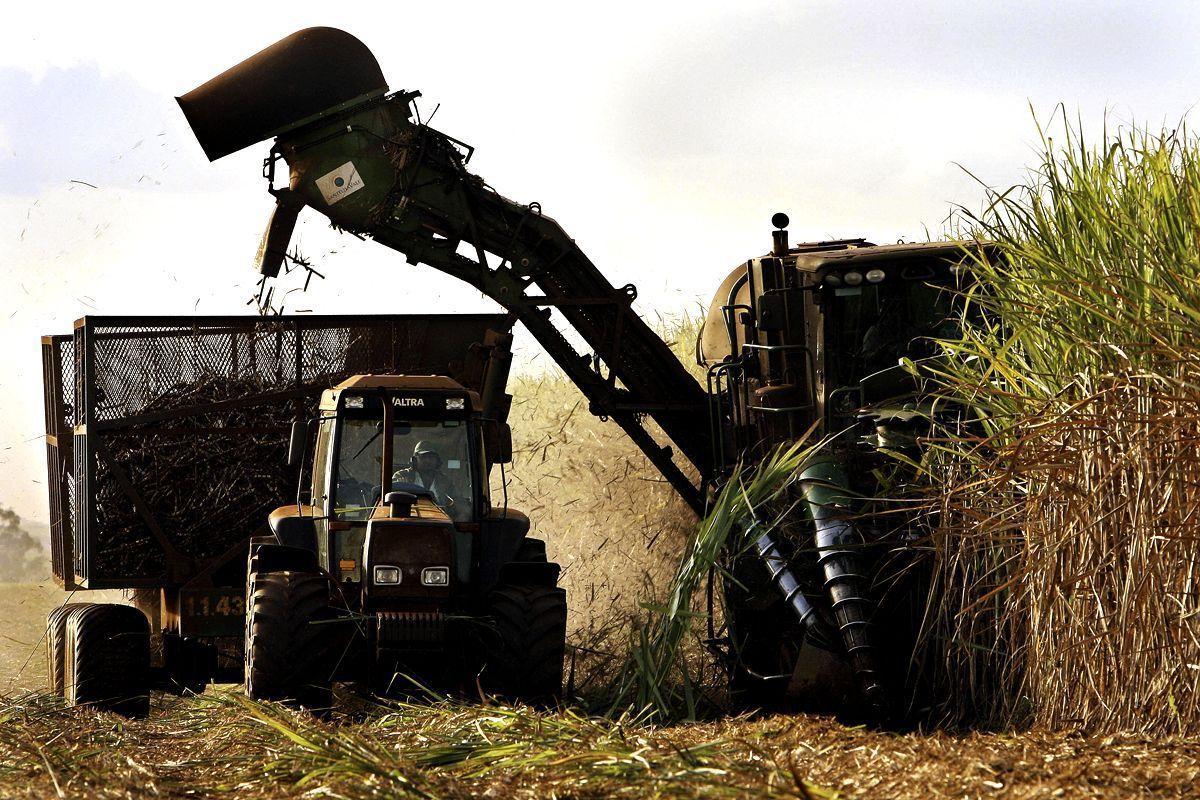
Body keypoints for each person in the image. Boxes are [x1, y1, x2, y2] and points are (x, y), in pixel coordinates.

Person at [391, 441, 461, 513]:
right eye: (423, 457)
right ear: (414, 460)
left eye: (431, 457)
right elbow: (391, 498)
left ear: (437, 461)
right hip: (411, 518)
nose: (427, 460)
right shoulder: (401, 476)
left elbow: (459, 501)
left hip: (439, 520)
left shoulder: (445, 481)